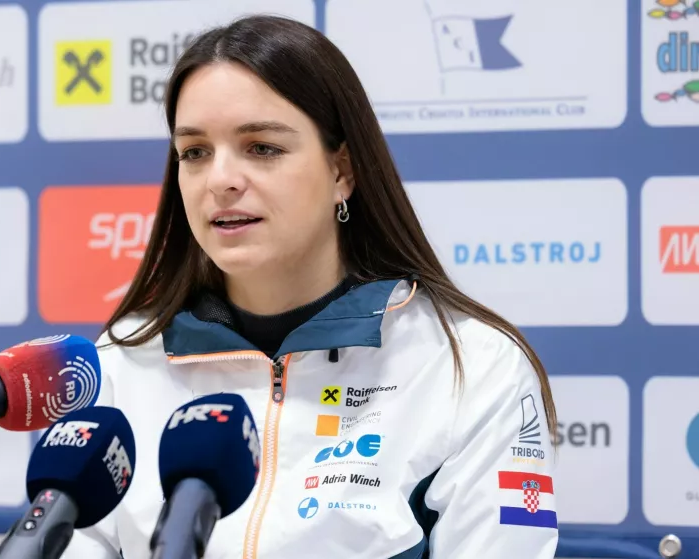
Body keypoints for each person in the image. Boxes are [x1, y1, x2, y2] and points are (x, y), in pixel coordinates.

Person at [65, 14, 559, 559]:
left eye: (262, 148)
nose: (221, 179)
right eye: (195, 152)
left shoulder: (472, 366)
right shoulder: (122, 360)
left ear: (342, 171)